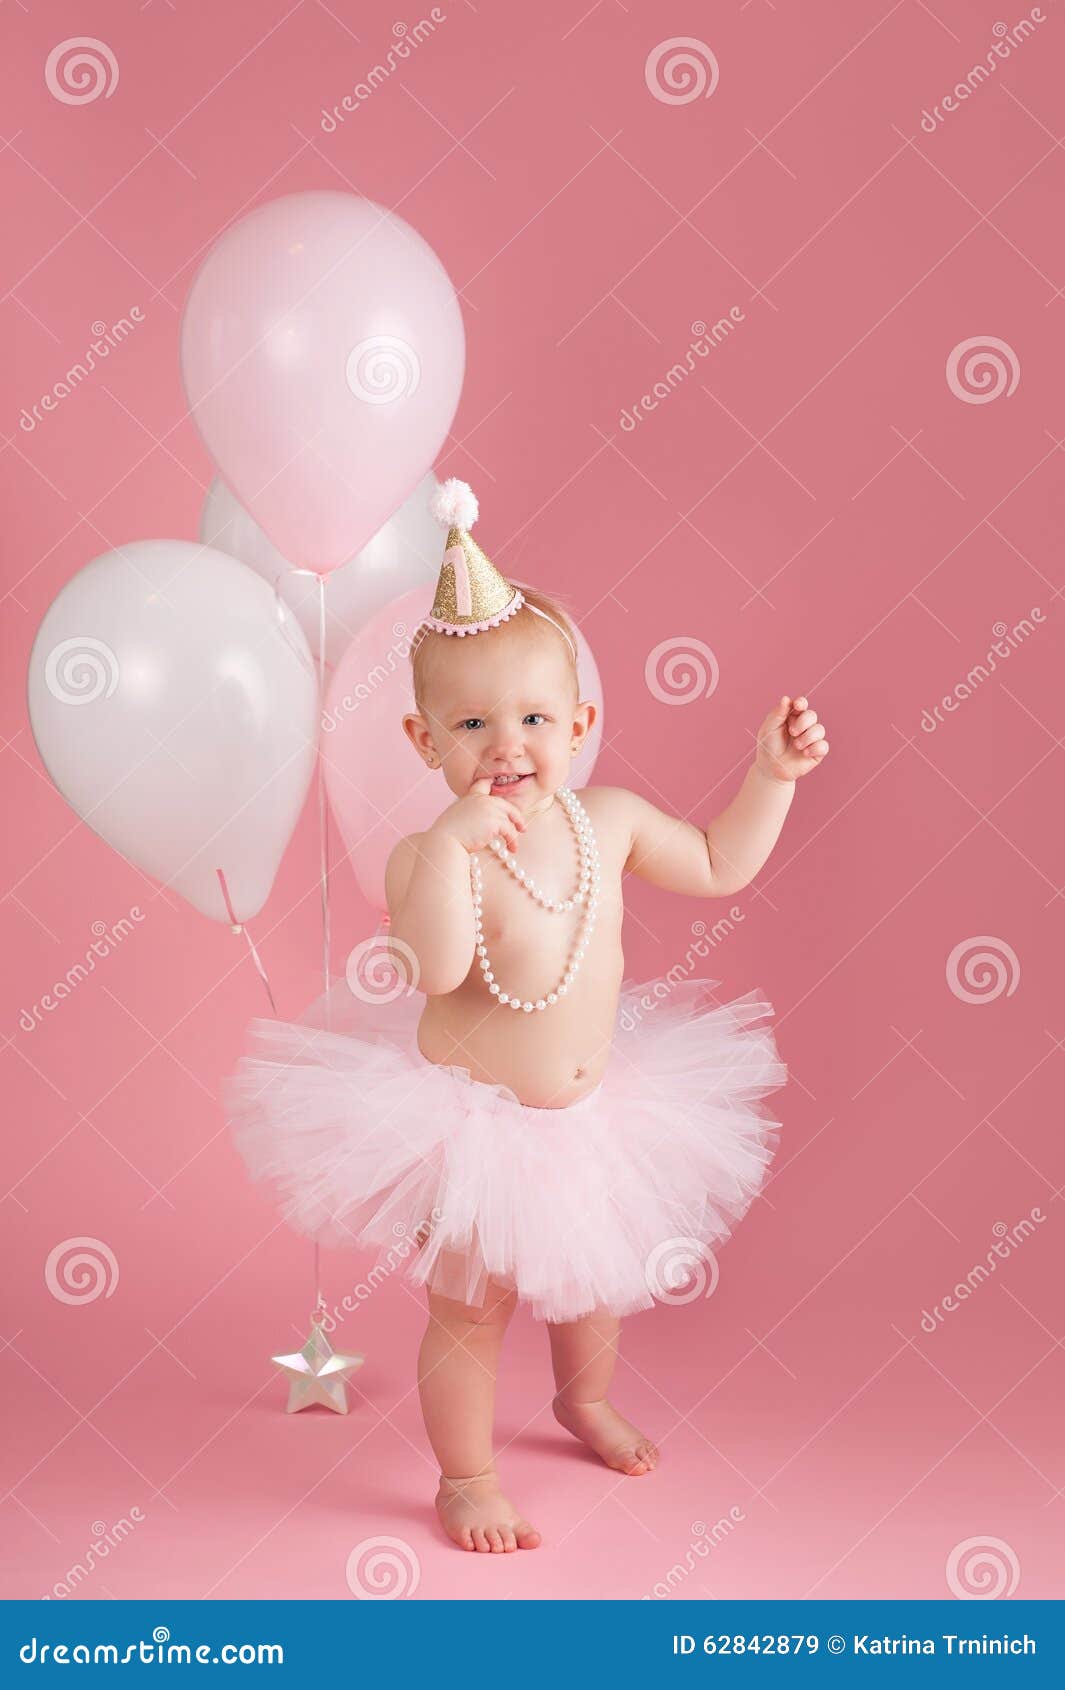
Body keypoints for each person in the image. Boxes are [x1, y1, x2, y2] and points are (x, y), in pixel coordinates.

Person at [224, 478, 830, 1554]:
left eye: (536, 718)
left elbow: (721, 862)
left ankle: (581, 1402)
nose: (508, 745)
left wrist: (769, 776)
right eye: (472, 723)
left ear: (582, 723)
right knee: (471, 1310)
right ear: (425, 741)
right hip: (475, 1125)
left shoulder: (614, 820)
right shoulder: (428, 855)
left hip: (594, 1112)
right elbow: (444, 965)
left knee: (590, 1277)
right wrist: (453, 849)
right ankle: (466, 1475)